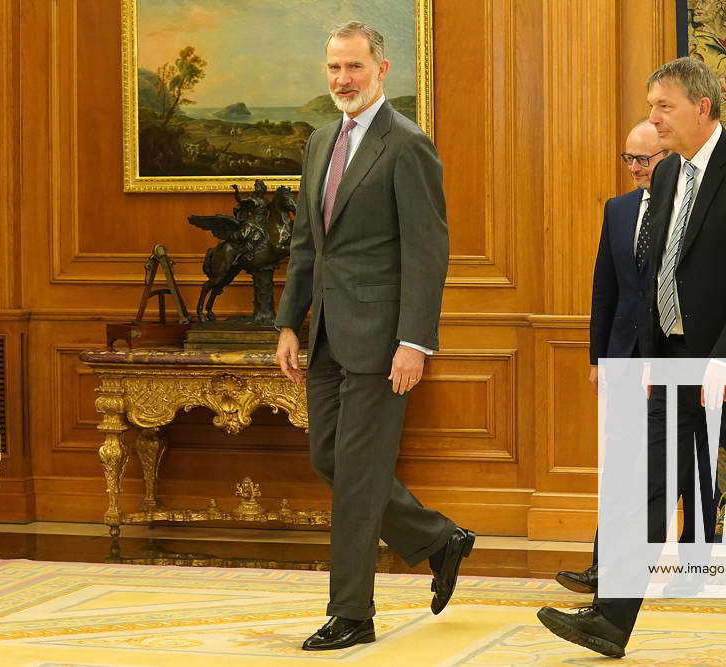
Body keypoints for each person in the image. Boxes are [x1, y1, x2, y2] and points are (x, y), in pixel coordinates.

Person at [536, 57, 726, 658]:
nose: (653, 118)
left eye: (663, 106)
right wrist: (645, 358)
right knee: (650, 490)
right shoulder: (665, 177)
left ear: (701, 109)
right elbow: (653, 271)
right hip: (672, 364)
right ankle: (611, 622)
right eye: (651, 105)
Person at [274, 21, 474, 652]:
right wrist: (288, 321)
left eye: (354, 68)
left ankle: (352, 614)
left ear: (382, 70)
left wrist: (416, 342)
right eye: (334, 68)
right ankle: (437, 538)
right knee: (328, 457)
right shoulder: (320, 141)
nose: (342, 80)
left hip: (386, 339)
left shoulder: (407, 144)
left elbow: (427, 252)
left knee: (358, 472)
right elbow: (310, 242)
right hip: (329, 334)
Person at [555, 121, 669, 595]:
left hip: (671, 358)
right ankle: (603, 564)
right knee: (620, 463)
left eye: (645, 160)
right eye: (630, 160)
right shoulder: (618, 210)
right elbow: (605, 287)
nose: (636, 170)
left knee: (680, 467)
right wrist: (597, 356)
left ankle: (693, 558)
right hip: (623, 354)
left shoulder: (686, 211)